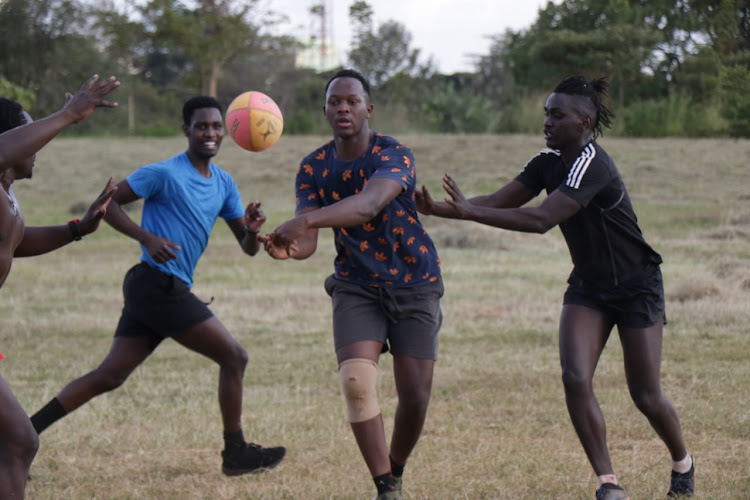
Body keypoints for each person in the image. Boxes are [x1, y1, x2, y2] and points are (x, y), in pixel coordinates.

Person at [416, 75, 694, 500]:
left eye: (557, 114)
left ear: (583, 121)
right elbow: (499, 202)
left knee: (645, 394)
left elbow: (542, 219)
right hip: (589, 286)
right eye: (546, 112)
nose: (547, 120)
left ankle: (683, 464)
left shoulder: (592, 163)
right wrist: (440, 209)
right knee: (575, 376)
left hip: (637, 285)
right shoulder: (546, 160)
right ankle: (608, 484)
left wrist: (470, 212)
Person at [29, 95, 286, 477]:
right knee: (235, 357)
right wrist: (147, 237)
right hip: (156, 285)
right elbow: (109, 204)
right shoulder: (165, 173)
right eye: (202, 126)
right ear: (186, 130)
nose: (210, 133)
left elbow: (248, 249)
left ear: (226, 131)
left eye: (217, 126)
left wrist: (251, 230)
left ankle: (19, 436)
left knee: (108, 376)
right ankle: (235, 454)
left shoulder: (224, 184)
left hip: (158, 289)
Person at [262, 69, 443, 500]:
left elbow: (369, 204)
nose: (343, 108)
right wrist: (286, 247)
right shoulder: (313, 167)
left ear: (368, 109)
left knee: (415, 397)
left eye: (352, 101)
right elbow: (307, 243)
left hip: (415, 281)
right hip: (355, 285)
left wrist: (304, 220)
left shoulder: (394, 154)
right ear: (325, 110)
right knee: (357, 383)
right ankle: (385, 488)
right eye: (334, 102)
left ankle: (395, 468)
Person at [0, 74, 121, 499]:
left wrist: (78, 229)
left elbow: (15, 242)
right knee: (19, 441)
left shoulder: (6, 196)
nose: (39, 147)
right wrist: (68, 115)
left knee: (15, 442)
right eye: (30, 135)